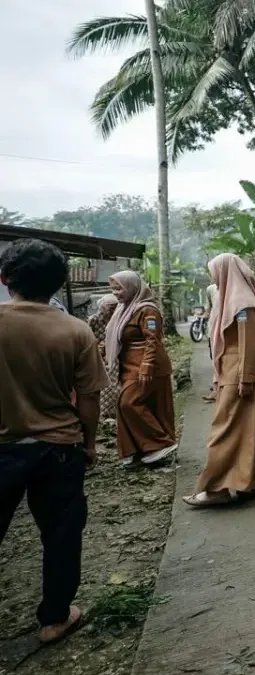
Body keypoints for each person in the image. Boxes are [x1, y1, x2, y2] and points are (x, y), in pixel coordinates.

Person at [0, 239, 106, 646]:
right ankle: (54, 619)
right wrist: (90, 444)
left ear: (5, 279)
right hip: (59, 447)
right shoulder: (75, 331)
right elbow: (91, 397)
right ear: (60, 283)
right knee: (61, 534)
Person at [184, 253, 255, 507]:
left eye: (214, 271)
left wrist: (245, 378)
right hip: (234, 371)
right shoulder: (231, 300)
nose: (212, 277)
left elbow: (248, 343)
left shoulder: (241, 303)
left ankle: (216, 488)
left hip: (240, 373)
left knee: (224, 429)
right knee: (250, 428)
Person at [104, 270, 178, 467]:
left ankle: (159, 444)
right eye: (113, 289)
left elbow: (153, 341)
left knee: (130, 402)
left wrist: (147, 366)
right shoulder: (123, 310)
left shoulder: (147, 310)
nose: (116, 293)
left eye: (119, 288)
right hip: (128, 365)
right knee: (124, 405)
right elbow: (116, 338)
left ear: (132, 287)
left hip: (147, 364)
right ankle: (138, 451)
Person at [87, 293, 120, 418]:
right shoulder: (94, 320)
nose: (112, 308)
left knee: (115, 384)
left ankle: (116, 412)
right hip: (99, 355)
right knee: (103, 385)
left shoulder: (118, 319)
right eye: (109, 306)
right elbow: (89, 339)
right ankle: (105, 414)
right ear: (102, 307)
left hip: (115, 354)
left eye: (114, 306)